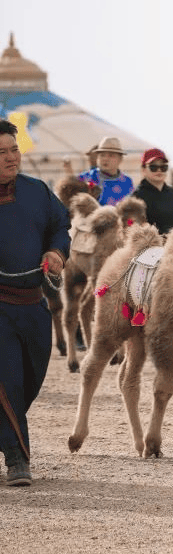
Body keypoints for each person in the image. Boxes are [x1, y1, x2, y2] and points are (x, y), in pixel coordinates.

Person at [0, 118, 70, 486]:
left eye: (14, 150)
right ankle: (17, 458)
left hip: (33, 303)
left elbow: (60, 224)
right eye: (2, 152)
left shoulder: (36, 190)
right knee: (7, 376)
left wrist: (57, 252)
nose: (12, 158)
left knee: (31, 377)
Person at [77, 136, 134, 206]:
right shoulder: (84, 178)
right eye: (102, 155)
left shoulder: (127, 182)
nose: (105, 159)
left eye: (111, 155)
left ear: (120, 159)